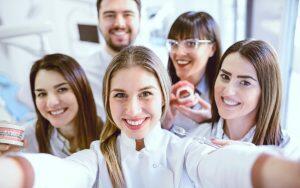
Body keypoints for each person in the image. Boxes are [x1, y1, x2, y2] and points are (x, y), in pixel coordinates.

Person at [1, 46, 300, 188]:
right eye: (120, 95)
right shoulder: (96, 156)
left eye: (145, 93)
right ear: (106, 99)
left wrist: (280, 171)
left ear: (163, 97)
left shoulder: (186, 149)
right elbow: (61, 173)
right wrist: (12, 174)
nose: (132, 110)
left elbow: (223, 166)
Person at [192, 39, 300, 161]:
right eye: (225, 76)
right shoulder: (196, 138)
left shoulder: (287, 152)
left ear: (266, 91)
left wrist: (253, 157)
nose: (228, 91)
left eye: (245, 82)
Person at [0, 54, 103, 157]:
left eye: (62, 89)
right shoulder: (27, 138)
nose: (51, 102)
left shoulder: (110, 135)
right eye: (42, 94)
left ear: (81, 89)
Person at [162, 11, 221, 137]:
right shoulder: (160, 92)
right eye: (174, 44)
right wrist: (164, 126)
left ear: (212, 48)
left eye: (191, 43)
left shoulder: (224, 96)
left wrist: (215, 121)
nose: (180, 52)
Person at [79, 0, 141, 119]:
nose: (119, 24)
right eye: (110, 15)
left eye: (127, 14)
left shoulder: (161, 67)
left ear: (139, 19)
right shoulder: (83, 74)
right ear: (99, 20)